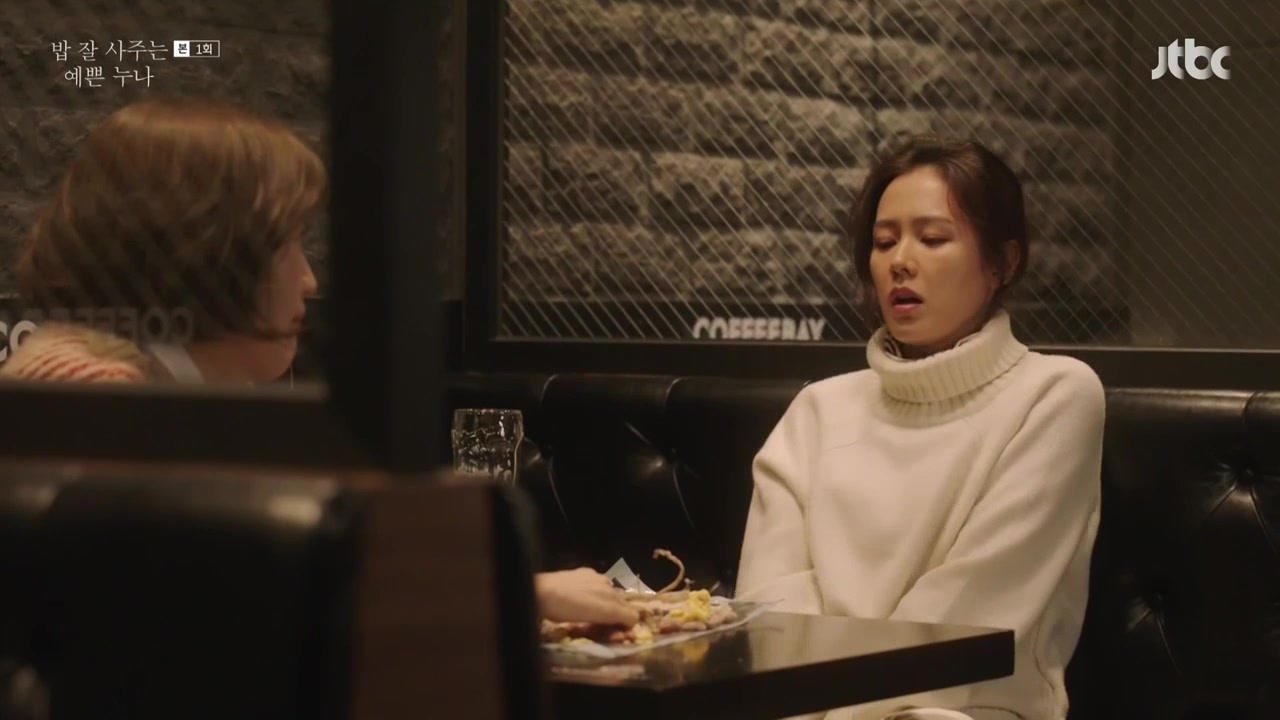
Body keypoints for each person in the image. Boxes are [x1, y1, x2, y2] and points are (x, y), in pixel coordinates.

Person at [735, 137, 1106, 720]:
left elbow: (964, 627)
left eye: (932, 239)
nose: (900, 262)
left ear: (1003, 264)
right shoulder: (818, 409)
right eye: (884, 242)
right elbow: (771, 615)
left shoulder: (1055, 396)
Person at [1, 99, 321, 384]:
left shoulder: (173, 384)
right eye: (284, 243)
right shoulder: (96, 386)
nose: (309, 281)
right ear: (203, 252)